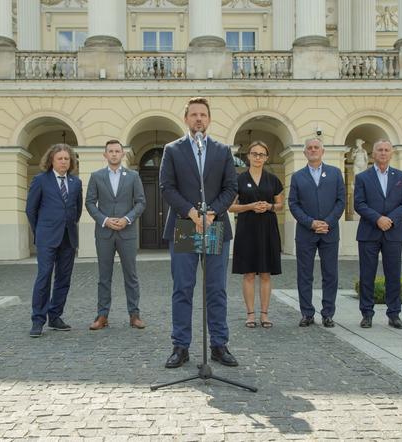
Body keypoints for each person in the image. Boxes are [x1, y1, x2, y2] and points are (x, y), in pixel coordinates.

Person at [159, 97, 238, 368]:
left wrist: (213, 212)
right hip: (184, 225)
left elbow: (231, 187)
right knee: (183, 288)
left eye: (203, 114)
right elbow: (166, 187)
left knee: (216, 289)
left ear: (209, 118)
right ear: (186, 119)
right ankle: (180, 346)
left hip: (214, 225)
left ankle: (219, 345)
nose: (199, 119)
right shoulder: (173, 150)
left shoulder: (221, 150)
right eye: (194, 114)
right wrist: (191, 213)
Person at [86, 140, 146, 330]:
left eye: (117, 151)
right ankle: (102, 316)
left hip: (126, 232)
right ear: (105, 155)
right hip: (104, 233)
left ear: (123, 154)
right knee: (104, 276)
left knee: (131, 275)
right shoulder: (96, 176)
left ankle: (134, 314)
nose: (114, 154)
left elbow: (141, 202)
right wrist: (104, 220)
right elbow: (89, 203)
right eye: (110, 151)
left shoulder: (133, 176)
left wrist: (127, 219)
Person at [354, 139, 402, 329]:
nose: (383, 153)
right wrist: (378, 218)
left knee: (393, 275)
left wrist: (390, 219)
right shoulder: (363, 177)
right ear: (373, 154)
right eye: (379, 149)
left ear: (391, 154)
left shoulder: (401, 177)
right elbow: (359, 203)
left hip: (394, 232)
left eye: (386, 150)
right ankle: (367, 314)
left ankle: (394, 314)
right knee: (367, 275)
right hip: (369, 232)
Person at [25, 144, 83, 338]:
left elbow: (77, 210)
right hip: (46, 238)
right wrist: (40, 231)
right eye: (60, 158)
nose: (64, 162)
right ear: (51, 160)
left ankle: (55, 316)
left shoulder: (75, 182)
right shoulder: (41, 180)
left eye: (67, 159)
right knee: (44, 277)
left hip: (68, 237)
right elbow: (31, 210)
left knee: (63, 279)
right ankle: (38, 320)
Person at [288, 138, 346, 328]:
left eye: (316, 148)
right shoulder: (297, 176)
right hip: (306, 232)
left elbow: (341, 201)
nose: (313, 150)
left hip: (329, 232)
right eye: (309, 148)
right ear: (304, 153)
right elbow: (293, 204)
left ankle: (328, 314)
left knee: (330, 274)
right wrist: (311, 223)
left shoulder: (336, 173)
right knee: (304, 274)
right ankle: (307, 313)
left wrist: (327, 222)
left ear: (322, 151)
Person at [229, 141, 283, 329]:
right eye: (254, 154)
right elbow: (230, 206)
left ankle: (265, 314)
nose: (258, 157)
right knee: (249, 273)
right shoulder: (239, 179)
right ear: (248, 156)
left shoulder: (273, 179)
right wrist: (250, 206)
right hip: (247, 228)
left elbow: (280, 205)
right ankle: (250, 314)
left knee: (266, 273)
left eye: (261, 154)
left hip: (268, 228)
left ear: (266, 158)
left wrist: (269, 206)